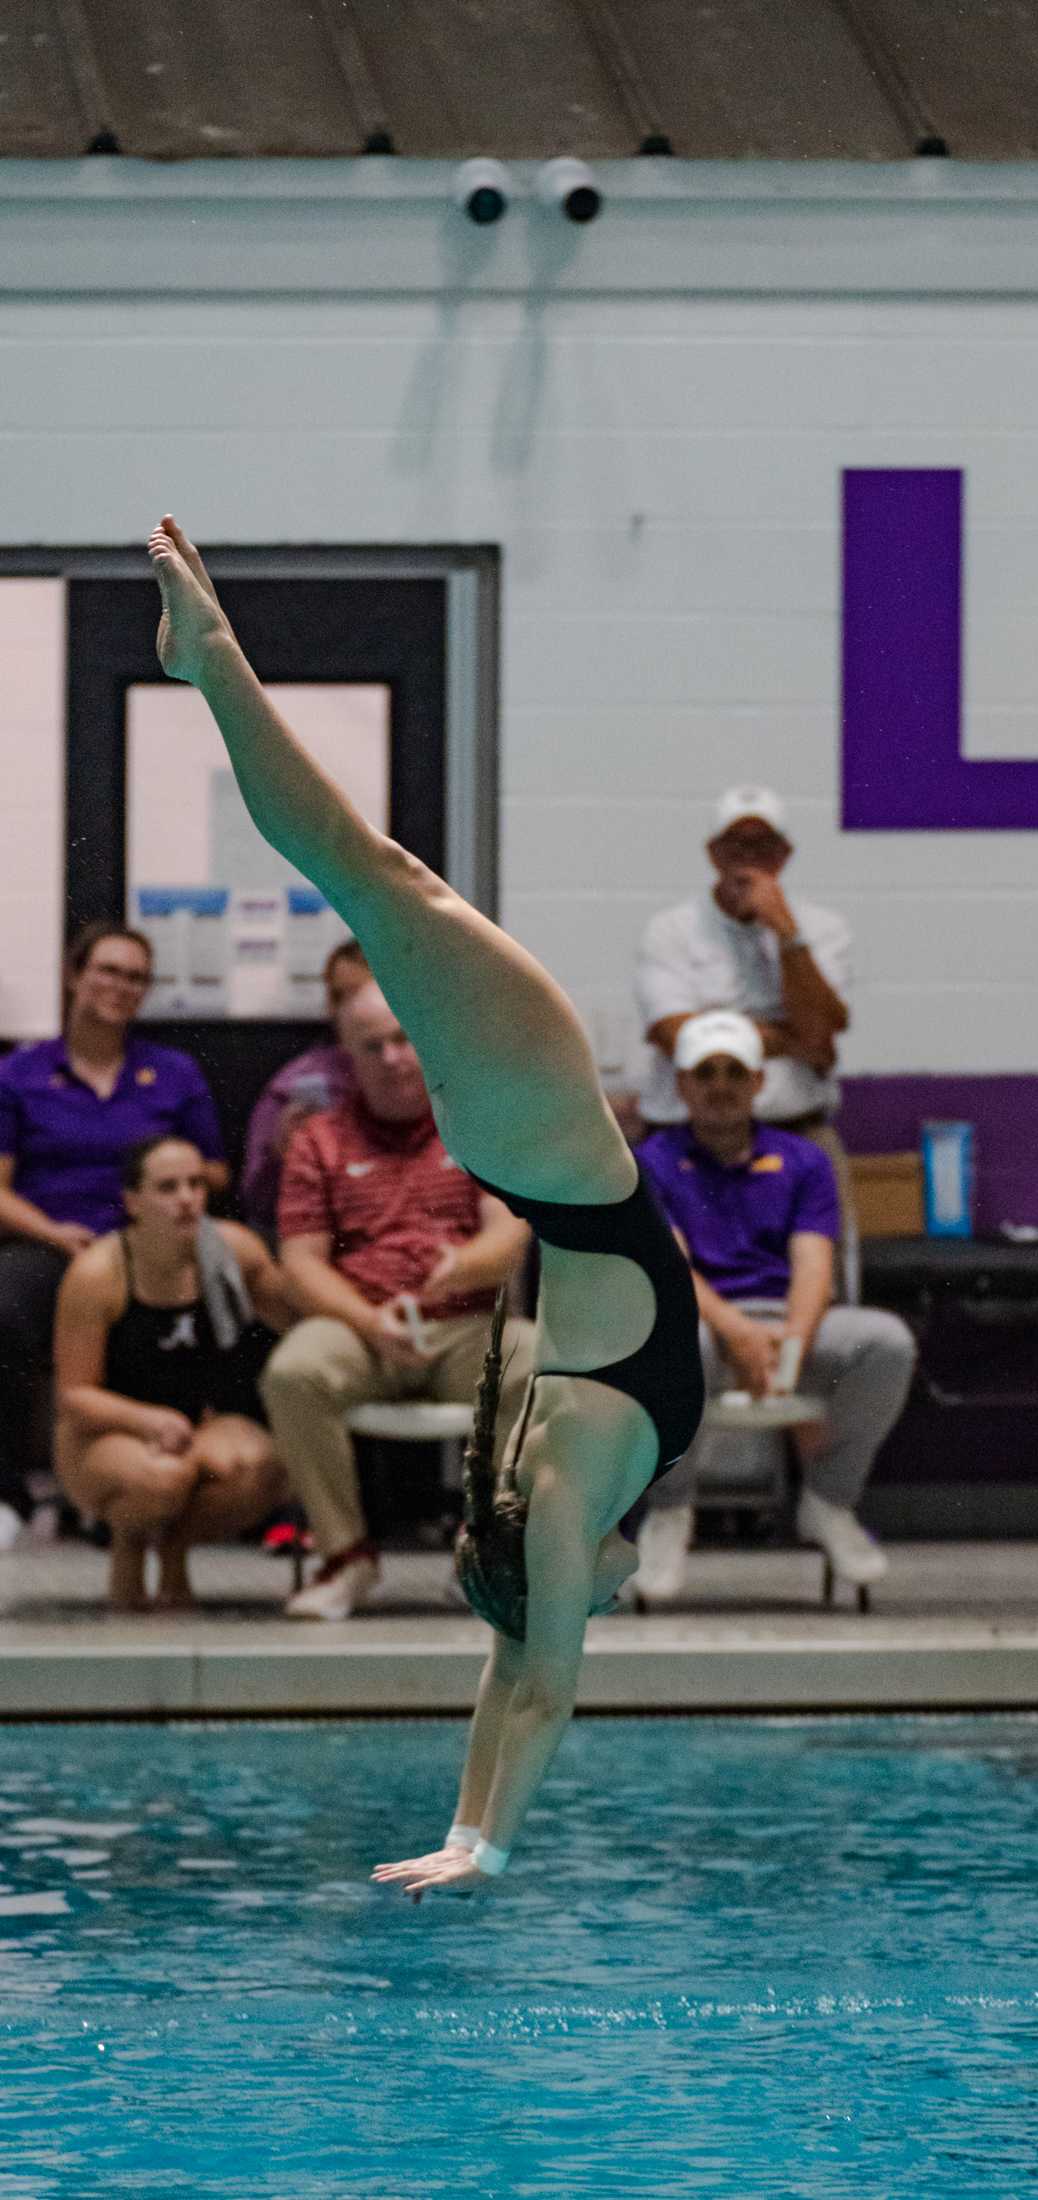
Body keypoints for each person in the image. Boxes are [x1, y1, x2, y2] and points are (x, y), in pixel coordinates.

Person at [147, 515, 703, 1899]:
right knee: (374, 877)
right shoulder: (571, 1488)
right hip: (538, 1148)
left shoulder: (579, 1485)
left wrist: (489, 1839)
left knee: (367, 874)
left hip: (546, 1141)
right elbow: (517, 1668)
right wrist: (469, 1835)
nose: (589, 1602)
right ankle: (209, 666)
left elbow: (535, 1676)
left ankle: (214, 665)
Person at [261, 979, 533, 1620]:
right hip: (362, 1324)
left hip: (465, 1322)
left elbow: (509, 1236)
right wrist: (368, 1320)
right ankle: (345, 1557)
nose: (393, 1058)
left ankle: (485, 1549)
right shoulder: (317, 1139)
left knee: (535, 1359)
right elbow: (300, 1264)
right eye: (373, 1046)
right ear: (346, 1056)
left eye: (404, 1041)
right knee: (294, 1371)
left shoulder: (474, 1125)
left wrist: (462, 1265)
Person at [633, 1010, 915, 1602]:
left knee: (885, 1343)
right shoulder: (651, 1163)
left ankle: (829, 1501)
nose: (719, 1085)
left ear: (759, 1082)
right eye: (704, 1072)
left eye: (735, 1072)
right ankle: (670, 1511)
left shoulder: (804, 1160)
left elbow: (815, 1266)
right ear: (681, 1085)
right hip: (704, 1327)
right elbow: (671, 1270)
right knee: (670, 1340)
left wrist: (790, 1344)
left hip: (788, 1327)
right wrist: (738, 1334)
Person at [0, 922, 228, 1546]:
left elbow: (214, 1169)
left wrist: (167, 1178)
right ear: (76, 975)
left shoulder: (173, 1073)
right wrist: (54, 1232)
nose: (120, 986)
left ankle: (158, 1484)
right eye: (108, 970)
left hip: (150, 1248)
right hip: (54, 1244)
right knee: (1, 1304)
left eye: (135, 977)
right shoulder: (21, 1073)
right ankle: (11, 1491)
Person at [51, 1135, 292, 1611]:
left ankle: (175, 1550)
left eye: (195, 1184)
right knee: (161, 1477)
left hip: (194, 1425)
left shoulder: (232, 1251)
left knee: (266, 1469)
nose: (186, 1199)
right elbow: (75, 1396)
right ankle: (128, 1546)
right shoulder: (98, 1273)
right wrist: (148, 1423)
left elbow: (295, 1316)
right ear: (133, 1201)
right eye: (167, 1187)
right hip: (101, 1436)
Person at [636, 786, 858, 1284]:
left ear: (784, 856)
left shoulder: (823, 928)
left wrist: (787, 933)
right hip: (685, 1142)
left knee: (820, 1289)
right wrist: (793, 1039)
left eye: (762, 849)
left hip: (795, 1135)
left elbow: (821, 1030)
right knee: (666, 1289)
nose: (748, 863)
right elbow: (678, 1039)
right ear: (713, 854)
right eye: (736, 848)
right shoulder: (671, 930)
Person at [237, 938, 371, 1234]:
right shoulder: (294, 1084)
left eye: (360, 994)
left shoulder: (421, 1076)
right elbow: (256, 1205)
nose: (346, 1009)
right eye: (338, 996)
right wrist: (280, 1154)